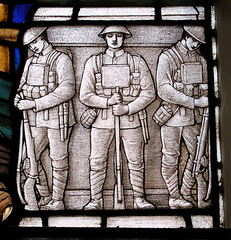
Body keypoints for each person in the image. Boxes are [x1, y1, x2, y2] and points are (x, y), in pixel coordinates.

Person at [79, 25, 156, 210]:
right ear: (105, 38)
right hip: (102, 120)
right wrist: (108, 102)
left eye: (119, 36)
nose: (114, 39)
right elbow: (85, 95)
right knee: (96, 161)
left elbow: (149, 93)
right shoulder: (94, 62)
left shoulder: (137, 62)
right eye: (110, 36)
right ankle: (95, 200)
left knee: (136, 161)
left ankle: (139, 199)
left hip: (131, 121)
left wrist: (127, 108)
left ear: (124, 38)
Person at [14, 27, 76, 210]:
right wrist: (19, 96)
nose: (33, 47)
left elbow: (67, 89)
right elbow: (22, 85)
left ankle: (57, 201)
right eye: (30, 45)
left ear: (43, 38)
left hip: (58, 118)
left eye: (35, 42)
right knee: (29, 159)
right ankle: (45, 195)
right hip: (34, 119)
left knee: (58, 159)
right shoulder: (30, 62)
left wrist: (34, 103)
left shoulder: (61, 59)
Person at [154, 26, 209, 209]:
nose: (196, 45)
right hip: (172, 118)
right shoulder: (167, 57)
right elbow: (164, 89)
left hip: (194, 118)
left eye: (200, 43)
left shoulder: (201, 60)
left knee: (198, 157)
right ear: (186, 36)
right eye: (194, 40)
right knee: (171, 157)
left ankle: (186, 192)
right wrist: (193, 102)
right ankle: (174, 196)